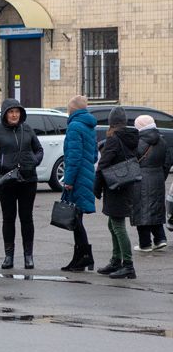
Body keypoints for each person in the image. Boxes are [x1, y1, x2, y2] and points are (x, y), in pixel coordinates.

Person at [0, 98, 44, 270]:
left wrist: (34, 160)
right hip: (7, 181)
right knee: (8, 219)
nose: (14, 115)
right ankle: (8, 256)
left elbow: (39, 149)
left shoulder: (27, 129)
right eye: (11, 112)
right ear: (5, 114)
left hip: (28, 180)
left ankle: (28, 256)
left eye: (17, 112)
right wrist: (0, 164)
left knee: (27, 218)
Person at [95, 106, 138, 279]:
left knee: (118, 226)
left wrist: (96, 188)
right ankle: (116, 260)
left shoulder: (114, 139)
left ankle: (128, 265)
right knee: (113, 224)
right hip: (126, 184)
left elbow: (103, 165)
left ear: (112, 122)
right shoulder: (132, 137)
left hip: (115, 186)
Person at [60, 95, 98, 272]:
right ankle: (81, 258)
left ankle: (84, 257)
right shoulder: (89, 126)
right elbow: (94, 156)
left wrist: (68, 181)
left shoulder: (74, 126)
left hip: (77, 179)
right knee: (77, 219)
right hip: (86, 175)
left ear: (72, 110)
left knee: (75, 220)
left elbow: (73, 157)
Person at [131, 114, 168, 251]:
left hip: (141, 178)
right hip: (158, 177)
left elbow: (132, 161)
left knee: (141, 211)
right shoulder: (162, 141)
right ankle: (160, 239)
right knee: (156, 208)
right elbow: (167, 162)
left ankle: (145, 244)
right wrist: (160, 176)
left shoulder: (138, 142)